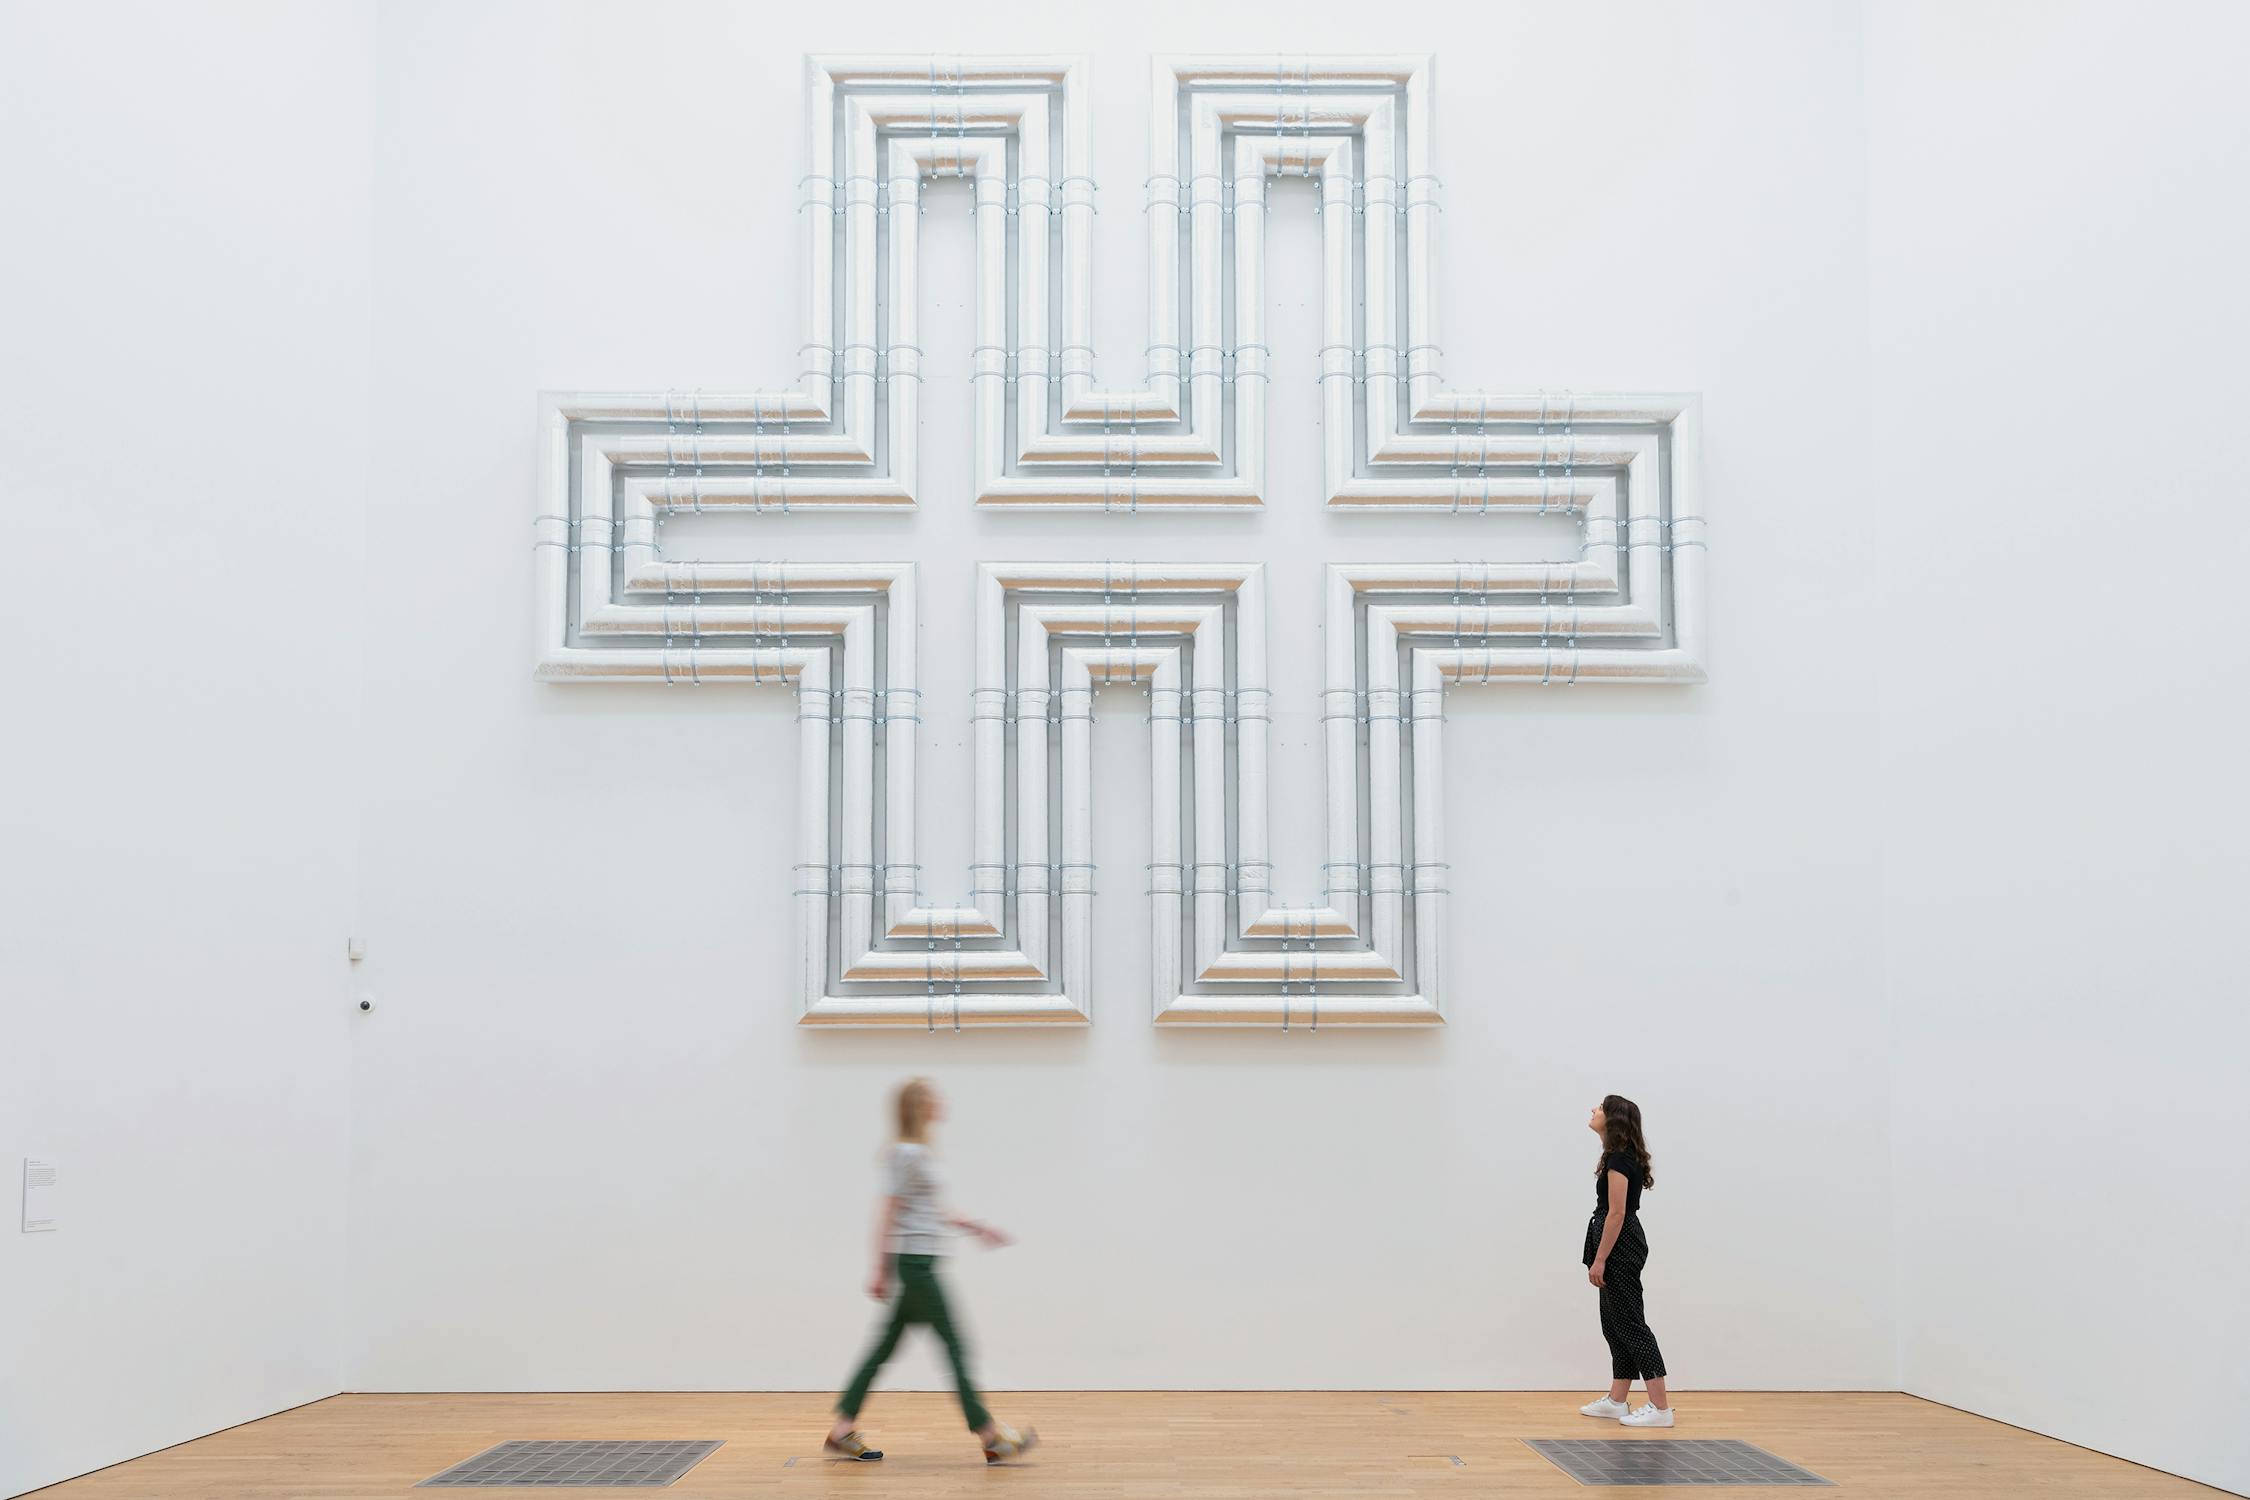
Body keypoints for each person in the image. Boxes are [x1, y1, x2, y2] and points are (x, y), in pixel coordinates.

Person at [823, 1077, 1037, 1465]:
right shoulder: (905, 1154)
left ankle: (841, 1429)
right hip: (915, 1266)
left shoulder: (921, 1154)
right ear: (919, 1107)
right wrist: (879, 1269)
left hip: (919, 1263)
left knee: (883, 1348)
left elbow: (935, 1210)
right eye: (934, 1098)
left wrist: (978, 1228)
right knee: (954, 1346)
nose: (942, 1102)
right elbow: (886, 1211)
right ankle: (990, 1436)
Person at [1577, 1094, 1674, 1427]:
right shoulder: (1617, 1156)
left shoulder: (1619, 1160)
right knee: (1614, 1324)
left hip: (1620, 1246)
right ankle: (1617, 1401)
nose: (1593, 1110)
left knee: (1631, 1325)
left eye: (1600, 1108)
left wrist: (1600, 1259)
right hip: (1617, 1244)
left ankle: (1661, 1409)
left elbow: (1617, 1213)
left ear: (1613, 1119)